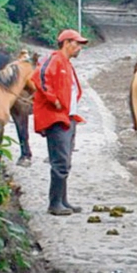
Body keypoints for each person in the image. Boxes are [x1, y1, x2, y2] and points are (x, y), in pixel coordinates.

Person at [32, 28, 87, 216]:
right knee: (60, 162)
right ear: (66, 43)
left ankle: (62, 200)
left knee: (65, 161)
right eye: (77, 43)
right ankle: (54, 203)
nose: (79, 47)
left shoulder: (66, 63)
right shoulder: (54, 60)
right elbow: (39, 76)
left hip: (68, 117)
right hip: (57, 118)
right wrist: (53, 99)